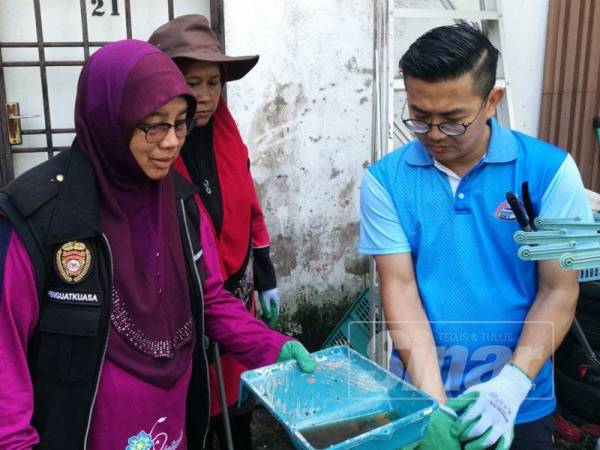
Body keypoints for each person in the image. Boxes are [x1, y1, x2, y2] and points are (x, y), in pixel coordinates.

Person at [0, 39, 314, 450]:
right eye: (153, 124)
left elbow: (209, 297)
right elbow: (6, 355)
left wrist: (272, 345)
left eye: (180, 122)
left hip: (173, 419)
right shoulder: (38, 216)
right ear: (109, 119)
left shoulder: (180, 202)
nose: (171, 142)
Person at [359, 24, 593, 450]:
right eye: (418, 116)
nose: (432, 134)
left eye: (451, 121)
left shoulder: (553, 172)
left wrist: (513, 384)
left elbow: (560, 289)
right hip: (419, 394)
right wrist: (433, 403)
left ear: (491, 102)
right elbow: (401, 287)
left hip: (521, 401)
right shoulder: (383, 181)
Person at [148, 15, 280, 449]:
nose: (203, 97)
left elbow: (250, 206)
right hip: (180, 300)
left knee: (235, 400)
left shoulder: (227, 133)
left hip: (234, 297)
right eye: (191, 82)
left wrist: (264, 277)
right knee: (191, 408)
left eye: (212, 83)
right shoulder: (154, 147)